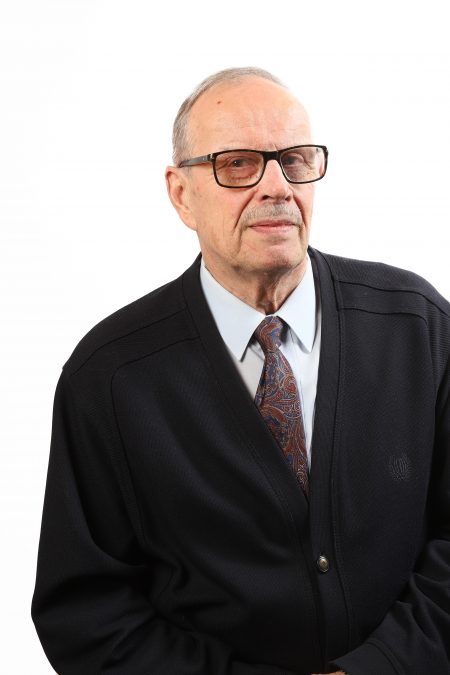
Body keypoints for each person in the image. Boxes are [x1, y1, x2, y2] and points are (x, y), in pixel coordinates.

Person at [31, 67, 450, 675]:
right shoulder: (109, 378)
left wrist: (381, 667)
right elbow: (88, 612)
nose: (277, 186)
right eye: (237, 164)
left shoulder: (419, 326)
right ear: (181, 194)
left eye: (295, 160)